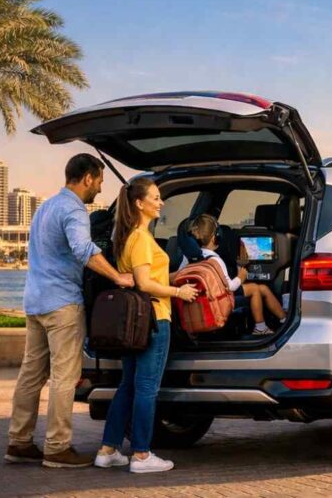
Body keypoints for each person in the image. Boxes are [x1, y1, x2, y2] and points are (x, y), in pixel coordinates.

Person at [6, 154, 135, 469]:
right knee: (65, 376)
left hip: (35, 302)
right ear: (88, 178)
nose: (100, 188)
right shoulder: (74, 209)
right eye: (100, 181)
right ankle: (57, 448)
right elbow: (83, 249)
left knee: (31, 375)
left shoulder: (45, 207)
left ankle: (19, 442)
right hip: (62, 304)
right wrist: (118, 277)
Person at [95, 178, 198, 474]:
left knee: (128, 385)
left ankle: (108, 450)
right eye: (155, 197)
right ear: (139, 203)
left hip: (135, 323)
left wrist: (176, 277)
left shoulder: (129, 236)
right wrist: (178, 292)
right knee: (146, 388)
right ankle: (141, 455)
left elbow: (148, 277)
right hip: (153, 319)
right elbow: (144, 283)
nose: (160, 202)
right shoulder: (140, 238)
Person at [182, 214, 286, 335]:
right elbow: (230, 287)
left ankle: (283, 317)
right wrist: (241, 277)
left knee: (263, 288)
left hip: (205, 295)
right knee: (255, 289)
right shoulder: (215, 260)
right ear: (215, 238)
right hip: (220, 298)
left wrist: (238, 266)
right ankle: (261, 327)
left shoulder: (189, 257)